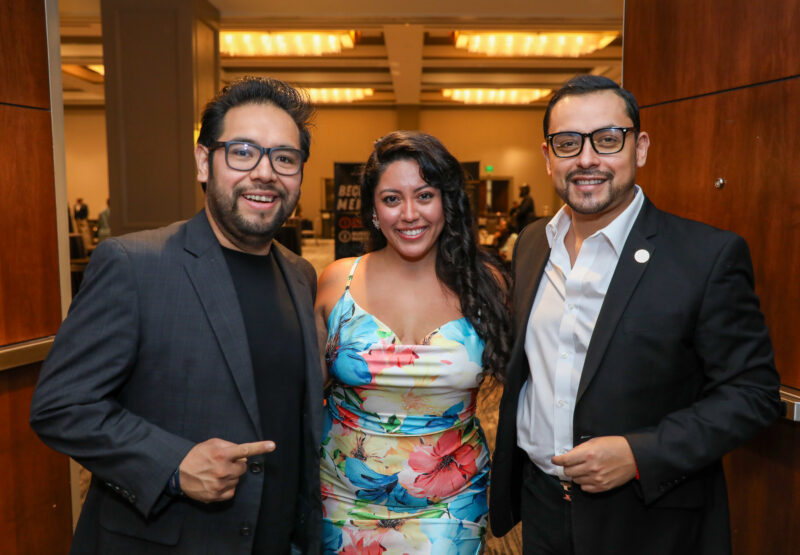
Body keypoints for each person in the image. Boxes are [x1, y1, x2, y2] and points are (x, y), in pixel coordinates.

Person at [489, 75, 782, 555]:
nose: (586, 159)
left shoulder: (705, 256)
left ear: (639, 148)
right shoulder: (533, 243)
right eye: (568, 143)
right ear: (547, 156)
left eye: (607, 140)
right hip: (541, 506)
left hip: (648, 519)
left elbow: (753, 394)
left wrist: (638, 454)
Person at [30, 77, 324, 554]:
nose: (265, 173)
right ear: (204, 162)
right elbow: (61, 406)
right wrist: (173, 465)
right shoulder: (134, 265)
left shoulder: (300, 275)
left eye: (284, 158)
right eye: (243, 152)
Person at [314, 131, 512, 553]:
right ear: (373, 210)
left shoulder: (485, 285)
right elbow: (301, 391)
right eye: (392, 199)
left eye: (424, 196)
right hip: (340, 498)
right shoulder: (337, 281)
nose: (409, 214)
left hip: (451, 504)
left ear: (447, 202)